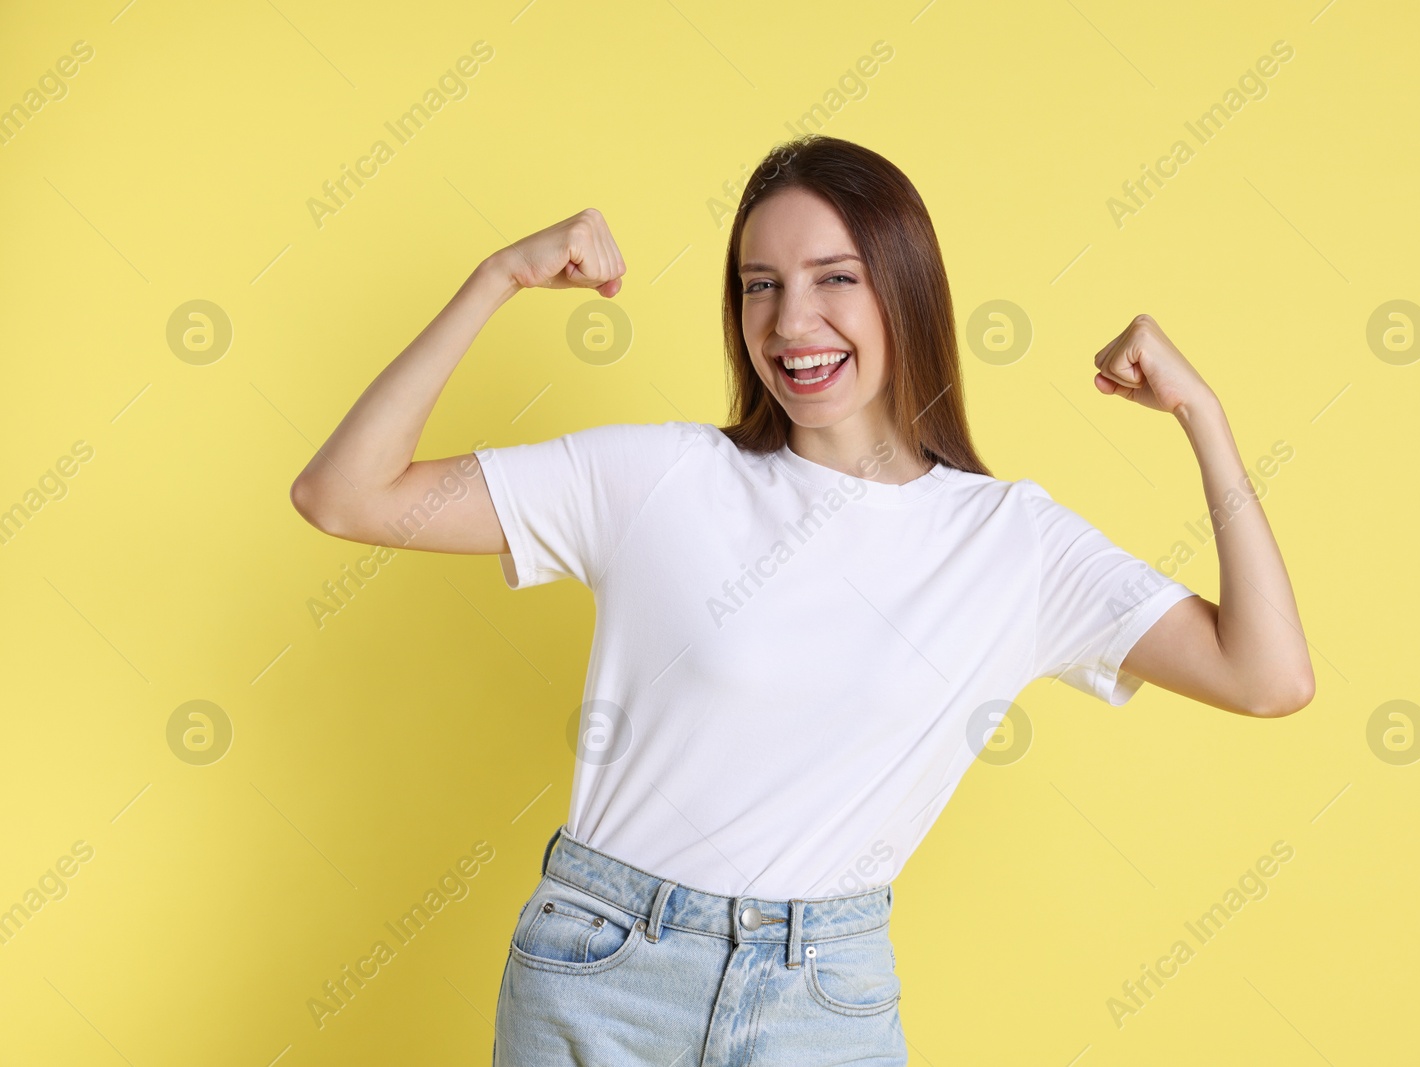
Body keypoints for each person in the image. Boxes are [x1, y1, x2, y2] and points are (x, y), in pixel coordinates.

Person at [289, 134, 1313, 1066]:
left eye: (835, 279)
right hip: (601, 968)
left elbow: (1266, 676)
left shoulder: (1013, 544)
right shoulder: (657, 477)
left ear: (904, 292)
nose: (790, 322)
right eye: (758, 285)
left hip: (823, 996)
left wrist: (1201, 414)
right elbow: (345, 493)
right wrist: (497, 278)